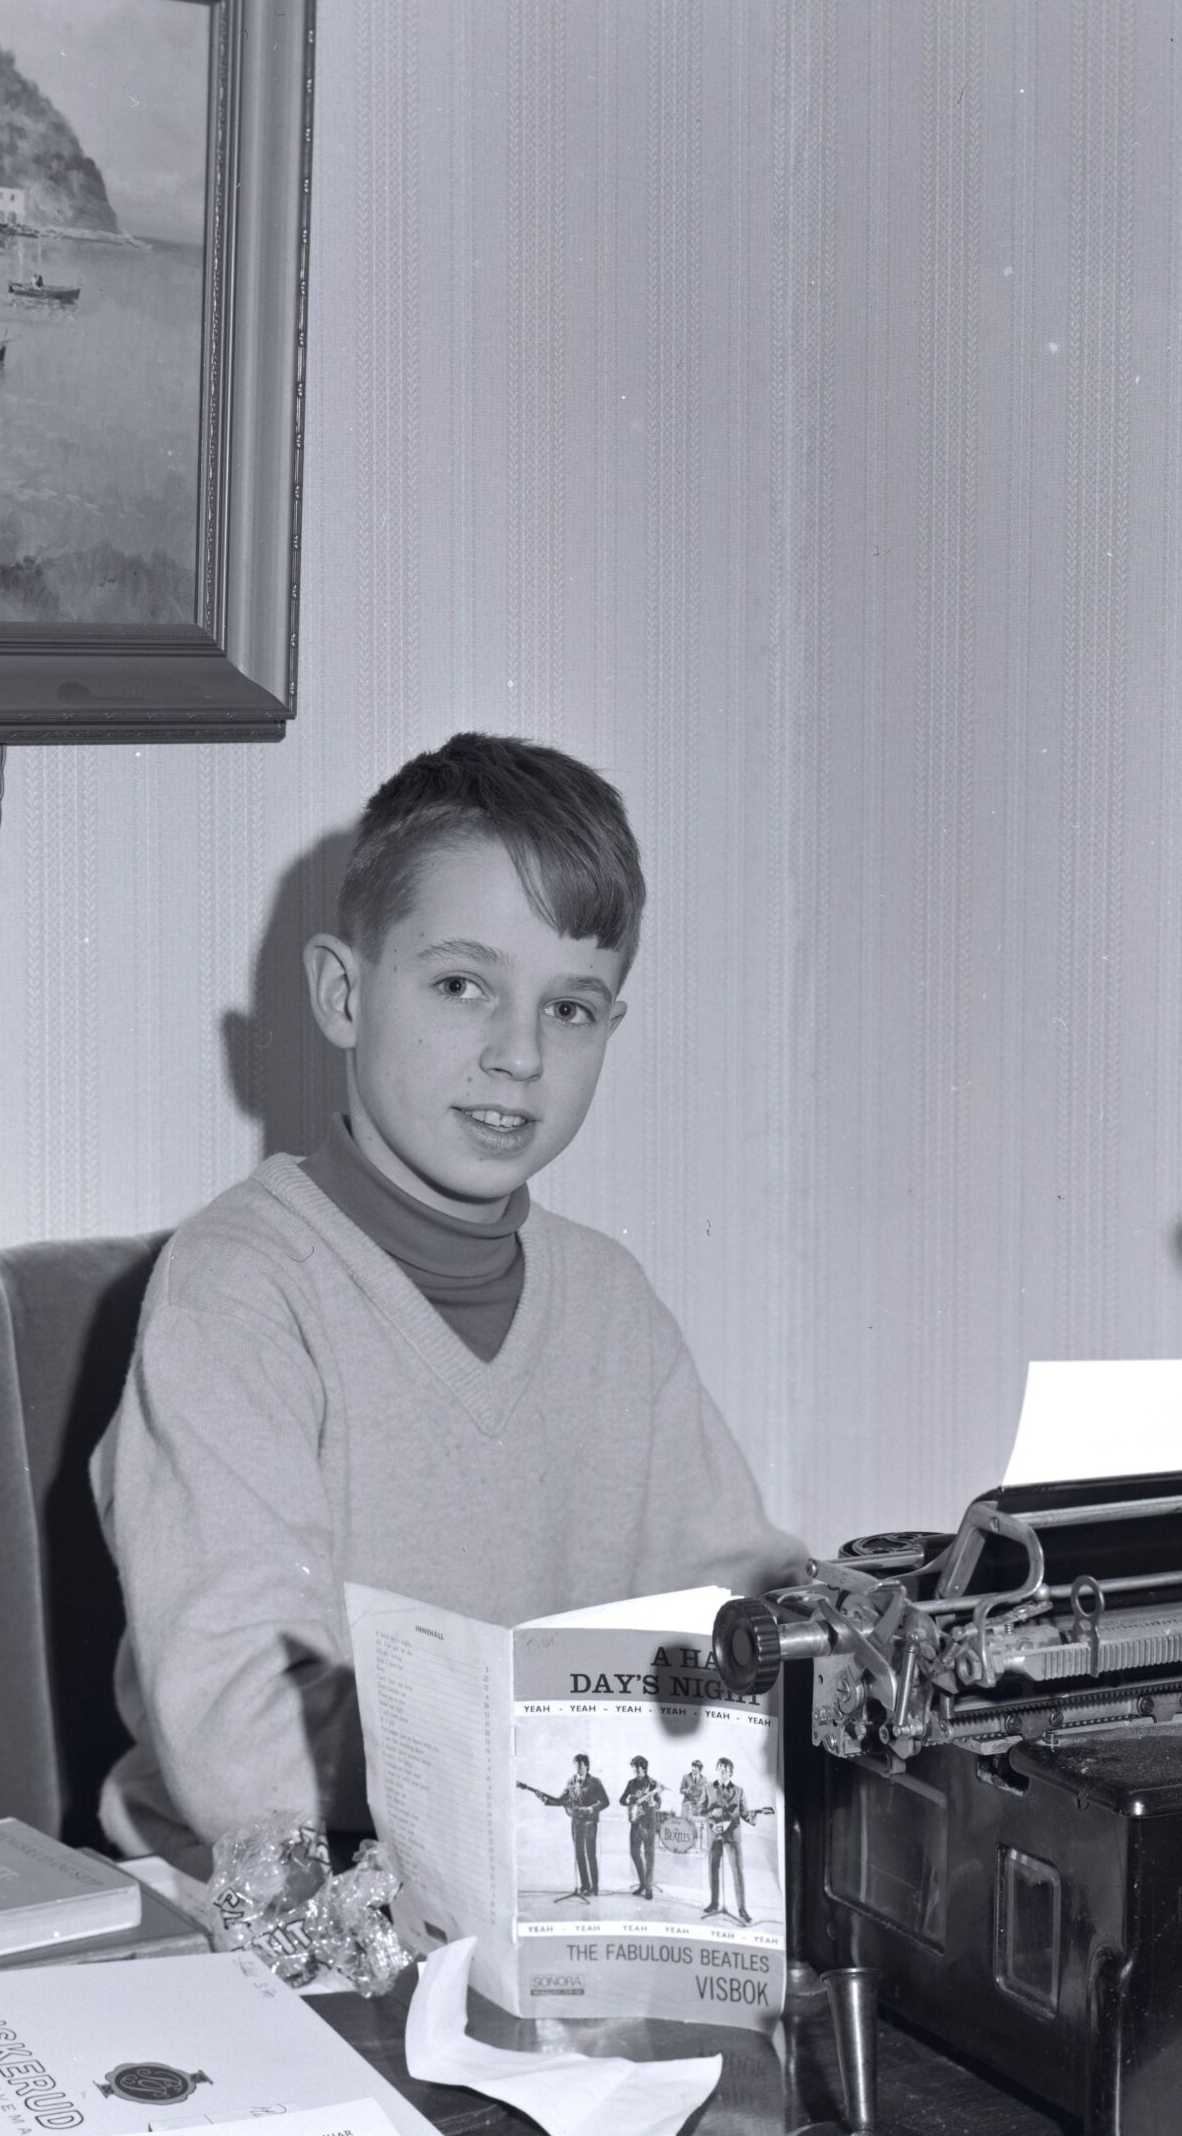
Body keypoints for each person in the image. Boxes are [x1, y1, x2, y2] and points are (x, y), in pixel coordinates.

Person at [97, 732, 808, 1857]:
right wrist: (566, 1735)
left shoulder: (610, 1301)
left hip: (537, 1868)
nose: (517, 1054)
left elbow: (730, 1606)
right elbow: (242, 1746)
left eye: (569, 1009)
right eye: (461, 986)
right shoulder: (238, 1291)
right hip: (280, 1901)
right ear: (344, 992)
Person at [523, 1754, 610, 1900]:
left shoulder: (595, 1782)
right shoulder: (571, 1782)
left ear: (587, 1766)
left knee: (590, 1854)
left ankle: (594, 1888)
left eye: (580, 1765)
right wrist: (545, 1799)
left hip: (590, 1823)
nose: (578, 1767)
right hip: (576, 1822)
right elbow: (560, 1801)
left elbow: (605, 1802)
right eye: (575, 1765)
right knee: (579, 1854)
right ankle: (585, 1885)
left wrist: (590, 1809)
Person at [702, 1756, 774, 1924]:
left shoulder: (739, 1791)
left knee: (738, 1871)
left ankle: (742, 1909)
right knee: (713, 1868)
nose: (722, 1771)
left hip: (732, 1835)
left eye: (725, 1769)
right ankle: (714, 1903)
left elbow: (744, 1812)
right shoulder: (708, 1788)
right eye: (719, 1768)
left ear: (731, 1773)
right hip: (714, 1834)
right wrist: (712, 1822)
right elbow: (701, 1810)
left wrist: (755, 1814)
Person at [620, 1755, 662, 1898]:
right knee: (634, 1853)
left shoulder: (653, 1783)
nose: (635, 1771)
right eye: (633, 1768)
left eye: (637, 1768)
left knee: (649, 1856)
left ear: (644, 1768)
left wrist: (653, 1803)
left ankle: (648, 1889)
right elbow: (622, 1800)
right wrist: (628, 1800)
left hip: (648, 1824)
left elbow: (658, 1804)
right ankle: (643, 1883)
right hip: (635, 1823)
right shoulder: (631, 1783)